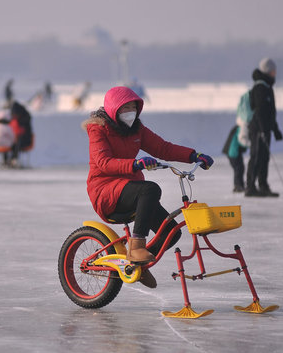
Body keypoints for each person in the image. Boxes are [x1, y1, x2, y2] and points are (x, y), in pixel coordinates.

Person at [82, 86, 213, 288]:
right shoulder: (98, 129)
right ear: (114, 109)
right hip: (105, 191)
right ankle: (136, 247)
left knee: (171, 232)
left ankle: (138, 265)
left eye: (133, 107)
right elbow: (103, 162)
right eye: (125, 108)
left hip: (129, 189)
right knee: (150, 189)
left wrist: (193, 155)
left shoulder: (137, 130)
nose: (130, 113)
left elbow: (163, 148)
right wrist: (134, 164)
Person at [245, 58, 283, 197]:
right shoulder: (260, 87)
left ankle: (263, 185)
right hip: (257, 129)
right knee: (256, 156)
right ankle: (250, 187)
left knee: (264, 157)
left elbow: (270, 113)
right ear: (267, 71)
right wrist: (261, 129)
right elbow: (260, 111)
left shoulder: (268, 87)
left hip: (265, 129)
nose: (275, 73)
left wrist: (275, 129)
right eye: (273, 70)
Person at [222, 125, 247, 192]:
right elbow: (242, 141)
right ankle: (238, 186)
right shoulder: (241, 129)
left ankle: (240, 185)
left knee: (240, 168)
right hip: (233, 151)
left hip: (234, 151)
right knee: (238, 168)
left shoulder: (239, 128)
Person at [8, 100, 34, 165]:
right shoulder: (15, 119)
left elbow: (22, 132)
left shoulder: (25, 119)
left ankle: (14, 159)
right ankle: (10, 160)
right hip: (16, 140)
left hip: (25, 140)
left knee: (17, 143)